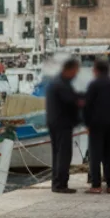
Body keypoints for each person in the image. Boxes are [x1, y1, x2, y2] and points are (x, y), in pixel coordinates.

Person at [82, 59, 110, 194]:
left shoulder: (93, 85)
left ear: (96, 70)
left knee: (95, 155)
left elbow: (87, 107)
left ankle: (96, 185)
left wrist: (87, 123)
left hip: (96, 124)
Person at [45, 58, 82, 193]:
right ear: (70, 70)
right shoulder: (61, 85)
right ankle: (60, 184)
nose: (76, 74)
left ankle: (57, 182)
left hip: (55, 122)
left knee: (57, 154)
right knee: (63, 154)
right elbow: (72, 101)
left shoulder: (57, 82)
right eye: (75, 71)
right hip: (62, 123)